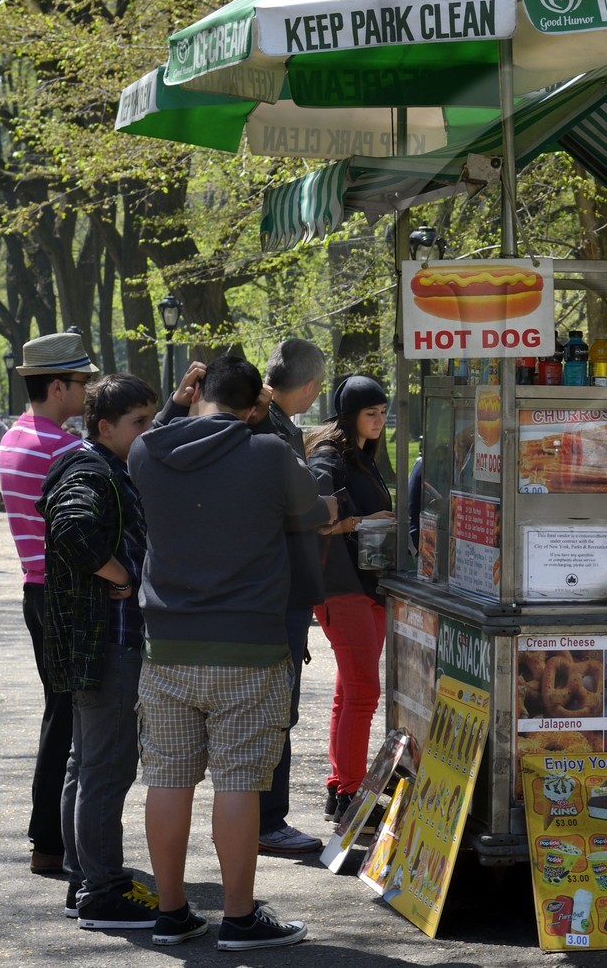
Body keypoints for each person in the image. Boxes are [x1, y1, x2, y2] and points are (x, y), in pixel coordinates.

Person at [130, 355, 332, 949]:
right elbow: (312, 513)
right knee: (238, 782)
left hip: (166, 646)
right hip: (250, 643)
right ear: (254, 407)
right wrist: (265, 423)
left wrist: (174, 404)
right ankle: (240, 920)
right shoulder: (269, 452)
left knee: (167, 780)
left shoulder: (148, 452)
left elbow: (156, 436)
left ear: (196, 396)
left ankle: (172, 913)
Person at [37, 374, 159, 929]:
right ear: (106, 427)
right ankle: (102, 891)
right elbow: (72, 529)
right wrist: (125, 577)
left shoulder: (93, 462)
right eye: (139, 423)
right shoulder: (94, 470)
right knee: (105, 768)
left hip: (94, 643)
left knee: (86, 765)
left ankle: (85, 879)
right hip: (107, 641)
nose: (148, 432)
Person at [0, 331, 99, 873]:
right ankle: (52, 840)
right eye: (83, 382)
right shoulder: (63, 449)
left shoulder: (15, 436)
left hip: (35, 591)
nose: (89, 391)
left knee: (59, 712)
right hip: (67, 595)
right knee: (71, 719)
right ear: (58, 386)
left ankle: (49, 838)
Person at [304, 375, 393, 823]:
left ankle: (340, 787)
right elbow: (315, 522)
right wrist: (363, 521)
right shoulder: (328, 457)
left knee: (350, 691)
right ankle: (353, 794)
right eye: (370, 413)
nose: (379, 420)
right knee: (362, 692)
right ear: (349, 415)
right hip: (341, 586)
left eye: (382, 412)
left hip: (365, 585)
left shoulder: (363, 456)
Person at [252, 340, 328, 855]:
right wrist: (329, 504)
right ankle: (266, 820)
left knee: (271, 707)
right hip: (280, 589)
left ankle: (261, 817)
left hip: (268, 587)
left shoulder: (267, 424)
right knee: (277, 708)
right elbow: (301, 507)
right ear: (310, 387)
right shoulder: (275, 431)